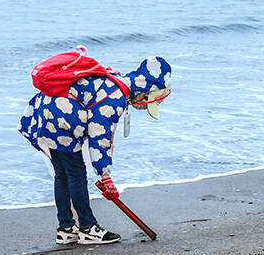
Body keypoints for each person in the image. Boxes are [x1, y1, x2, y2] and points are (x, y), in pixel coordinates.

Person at [19, 56, 171, 244]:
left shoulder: (114, 78)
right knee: (76, 173)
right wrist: (105, 176)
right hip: (62, 119)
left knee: (62, 174)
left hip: (44, 113)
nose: (143, 105)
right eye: (148, 100)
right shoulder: (114, 97)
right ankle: (87, 228)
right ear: (143, 93)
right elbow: (99, 136)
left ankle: (66, 229)